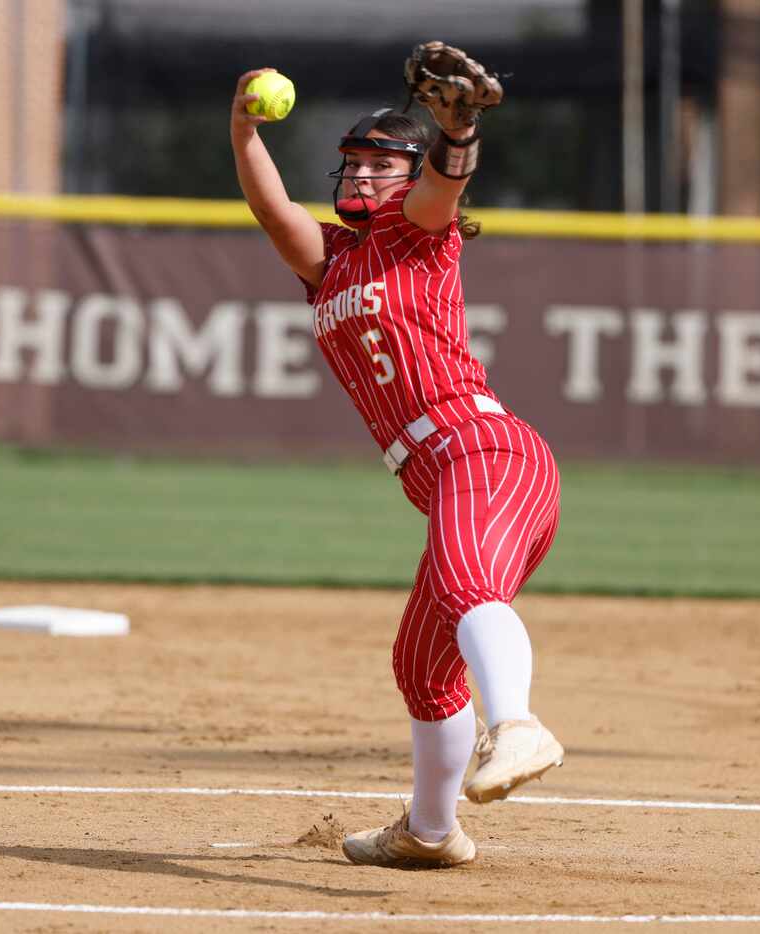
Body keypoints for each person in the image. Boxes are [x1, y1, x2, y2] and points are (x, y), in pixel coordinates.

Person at [229, 42, 564, 869]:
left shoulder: (418, 234)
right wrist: (242, 130)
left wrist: (455, 134)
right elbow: (274, 213)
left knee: (462, 587)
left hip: (484, 450)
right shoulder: (332, 262)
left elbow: (446, 185)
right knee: (420, 663)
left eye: (381, 164)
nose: (361, 177)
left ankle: (517, 725)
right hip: (439, 471)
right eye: (352, 162)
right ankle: (430, 831)